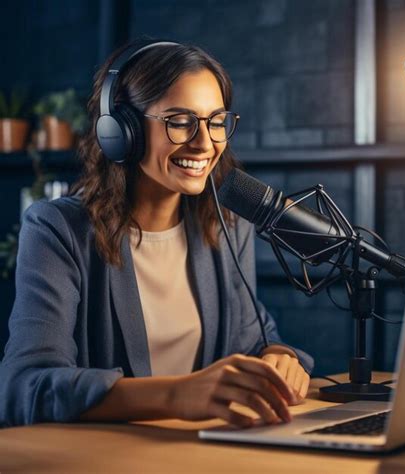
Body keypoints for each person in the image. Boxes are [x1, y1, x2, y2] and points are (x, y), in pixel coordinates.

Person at [0, 39, 314, 428]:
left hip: (202, 454)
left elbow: (252, 338)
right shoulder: (57, 230)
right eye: (180, 122)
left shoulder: (227, 225)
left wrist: (279, 357)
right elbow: (23, 387)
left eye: (216, 121)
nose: (205, 143)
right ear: (121, 131)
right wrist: (177, 394)